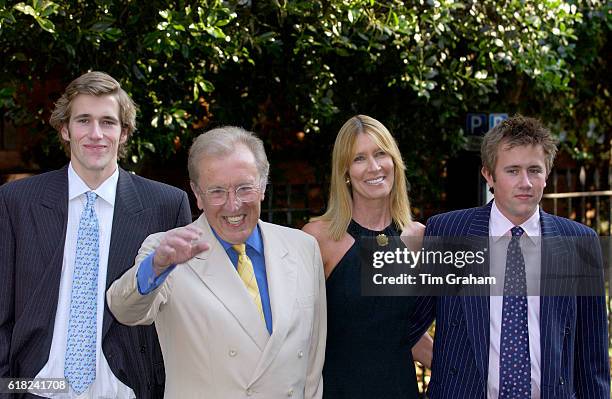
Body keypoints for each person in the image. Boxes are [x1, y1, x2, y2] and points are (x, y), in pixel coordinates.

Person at [0, 71, 192, 398]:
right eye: (83, 120)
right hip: (38, 388)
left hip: (125, 390)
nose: (95, 134)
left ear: (124, 132)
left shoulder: (167, 205)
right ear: (65, 129)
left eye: (108, 122)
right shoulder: (17, 201)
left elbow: (179, 316)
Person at [107, 126, 327, 398]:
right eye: (217, 192)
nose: (233, 205)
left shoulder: (303, 248)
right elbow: (124, 310)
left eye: (244, 188)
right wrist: (157, 267)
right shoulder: (167, 251)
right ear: (197, 195)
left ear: (262, 187)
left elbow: (313, 365)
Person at [415, 115, 610, 398]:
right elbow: (406, 323)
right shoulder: (448, 232)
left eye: (534, 170)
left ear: (547, 174)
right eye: (513, 171)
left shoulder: (579, 242)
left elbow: (592, 360)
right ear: (488, 175)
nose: (526, 182)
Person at [302, 115, 432, 398]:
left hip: (400, 389)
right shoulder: (319, 239)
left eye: (380, 153)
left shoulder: (418, 239)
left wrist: (480, 376)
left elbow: (406, 333)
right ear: (345, 171)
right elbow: (296, 332)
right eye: (359, 158)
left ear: (394, 161)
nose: (374, 167)